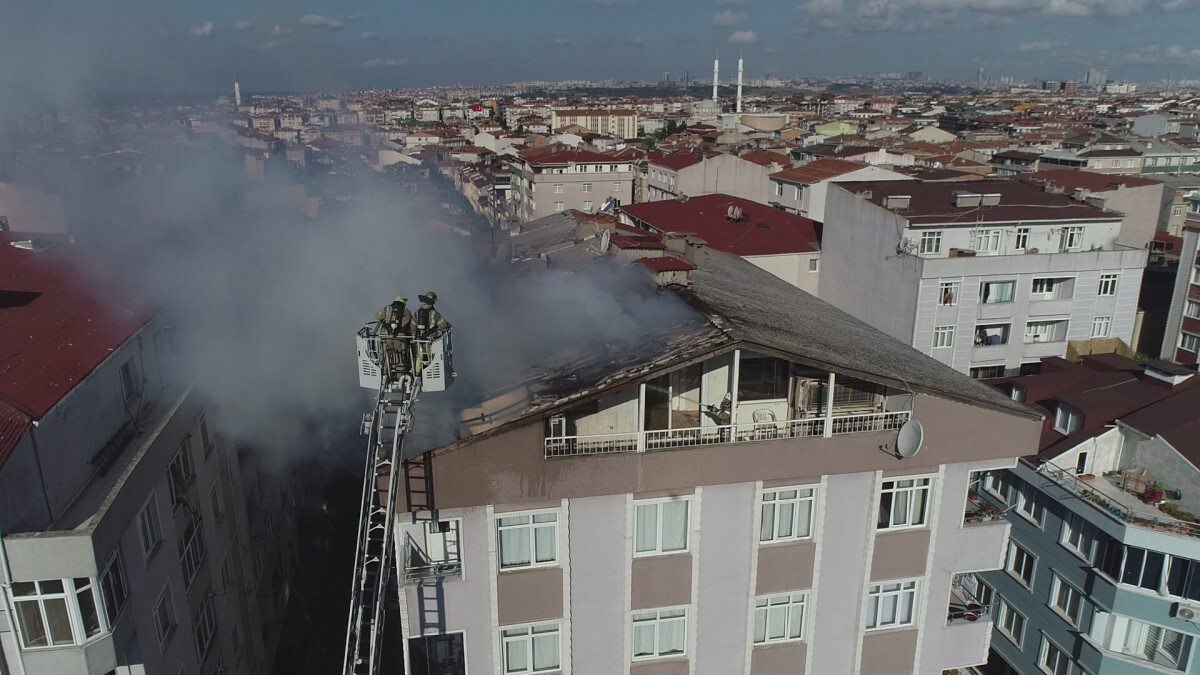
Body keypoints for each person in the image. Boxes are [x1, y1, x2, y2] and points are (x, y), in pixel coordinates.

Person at [375, 296, 413, 381]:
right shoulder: (406, 311)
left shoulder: (387, 308)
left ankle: (384, 373)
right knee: (400, 356)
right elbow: (409, 322)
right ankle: (400, 377)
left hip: (387, 337)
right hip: (400, 338)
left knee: (386, 355)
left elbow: (377, 316)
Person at [413, 292, 451, 376]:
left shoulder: (417, 313)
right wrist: (449, 325)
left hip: (419, 341)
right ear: (433, 301)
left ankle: (417, 374)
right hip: (431, 340)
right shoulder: (435, 314)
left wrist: (415, 337)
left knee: (419, 357)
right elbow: (443, 325)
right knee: (432, 358)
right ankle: (428, 374)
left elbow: (412, 326)